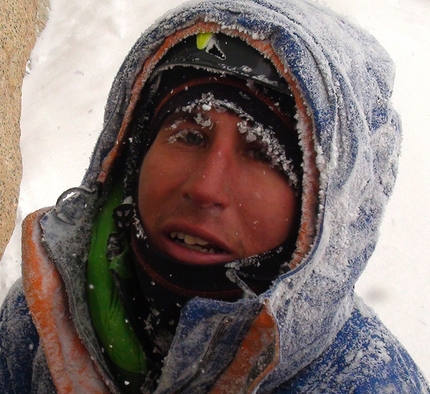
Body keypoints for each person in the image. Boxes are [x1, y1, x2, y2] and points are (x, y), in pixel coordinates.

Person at [1, 0, 429, 392]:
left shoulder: (367, 382)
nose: (205, 187)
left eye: (263, 154)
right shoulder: (44, 317)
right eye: (188, 134)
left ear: (322, 213)